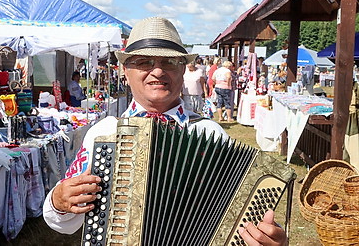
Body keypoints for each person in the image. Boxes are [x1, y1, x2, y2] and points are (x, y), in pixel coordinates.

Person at [43, 16, 287, 246]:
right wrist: (59, 201)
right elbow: (65, 223)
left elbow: (239, 221)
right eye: (144, 62)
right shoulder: (104, 133)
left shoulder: (210, 134)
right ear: (125, 72)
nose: (157, 71)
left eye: (169, 62)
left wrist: (265, 237)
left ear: (184, 70)